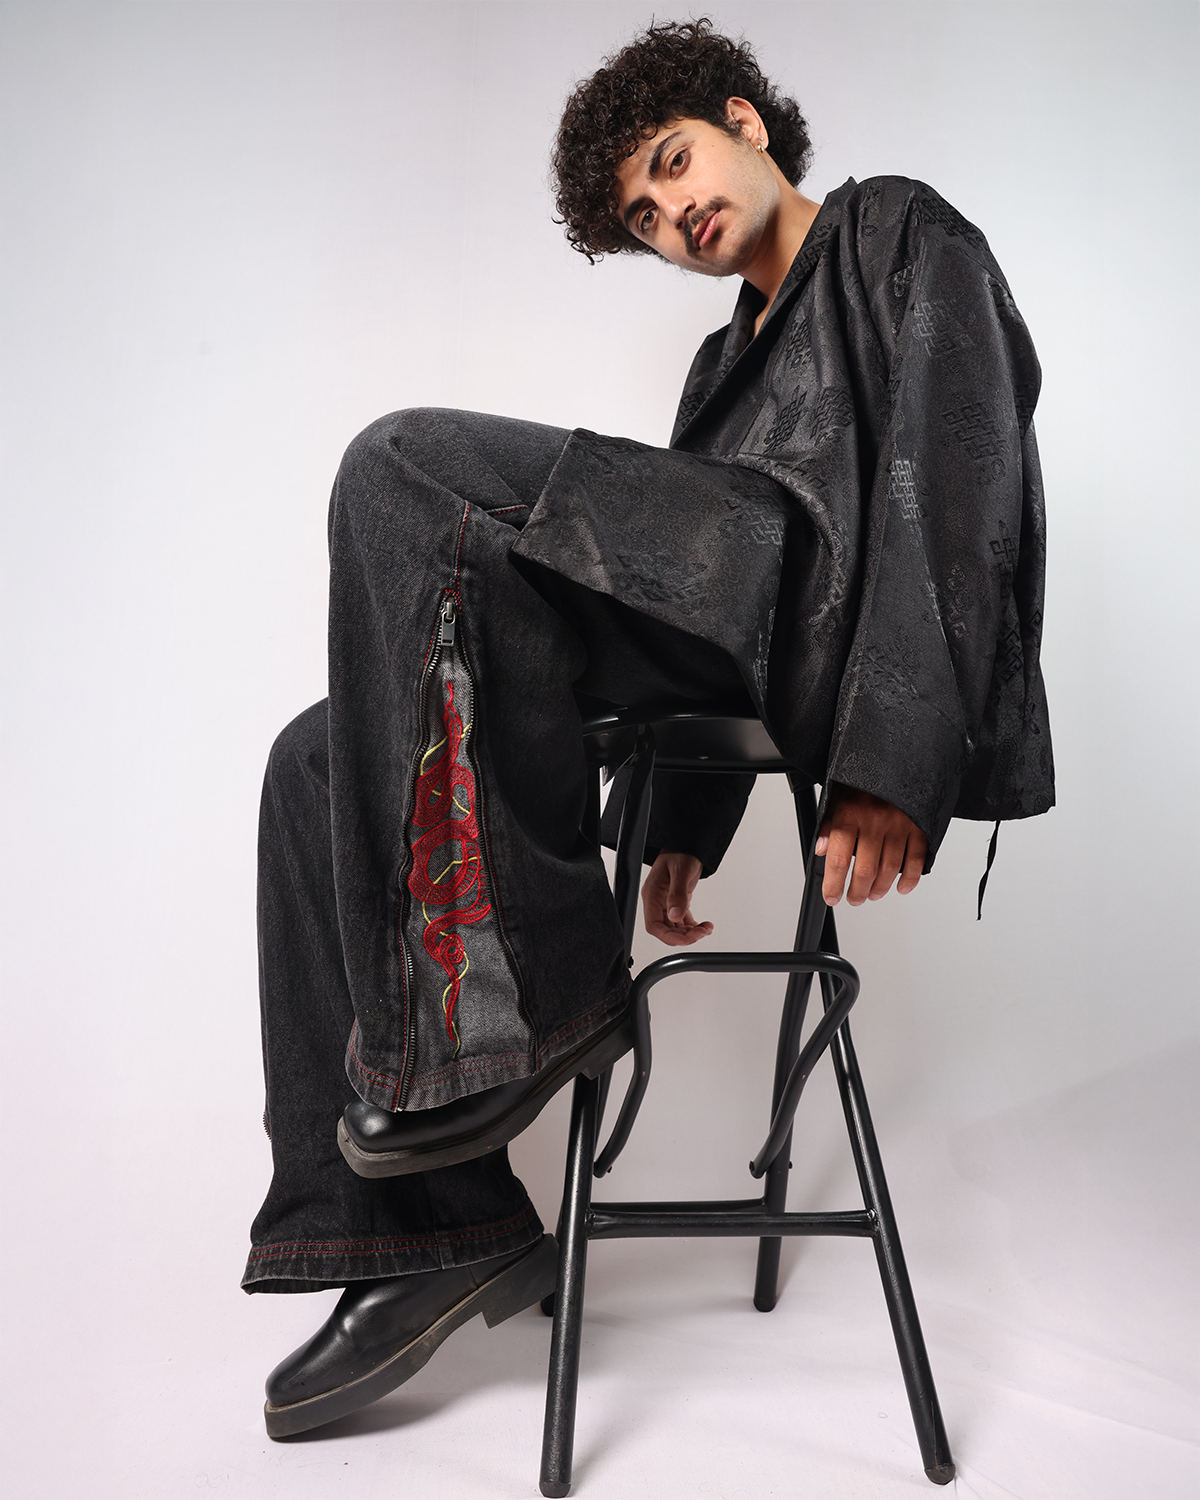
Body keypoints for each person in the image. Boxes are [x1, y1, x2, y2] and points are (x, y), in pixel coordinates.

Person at [246, 19, 1053, 1439]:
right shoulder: (711, 372)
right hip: (716, 607)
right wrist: (680, 828)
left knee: (401, 463)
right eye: (642, 212)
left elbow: (960, 475)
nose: (674, 212)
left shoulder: (891, 233)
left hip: (806, 588)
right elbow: (673, 632)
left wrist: (892, 766)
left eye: (675, 163)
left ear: (744, 120)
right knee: (313, 757)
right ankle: (421, 1231)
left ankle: (534, 1009)